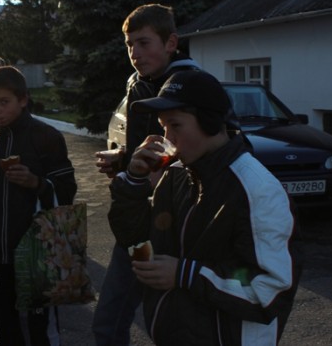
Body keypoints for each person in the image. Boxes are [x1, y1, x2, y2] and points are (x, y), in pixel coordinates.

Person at [110, 70, 300, 345]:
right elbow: (135, 239)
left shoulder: (256, 189)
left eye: (176, 126)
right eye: (164, 127)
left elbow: (270, 292)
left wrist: (185, 274)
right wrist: (133, 181)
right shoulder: (175, 175)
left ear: (211, 122)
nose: (167, 139)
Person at [92, 3, 201, 345]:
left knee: (173, 325)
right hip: (139, 221)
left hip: (178, 223)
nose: (135, 54)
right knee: (109, 320)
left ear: (171, 43)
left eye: (144, 43)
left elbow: (214, 152)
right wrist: (123, 161)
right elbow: (150, 148)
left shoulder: (192, 86)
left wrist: (166, 175)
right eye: (129, 45)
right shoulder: (139, 83)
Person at [0, 66, 77, 346]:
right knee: (5, 324)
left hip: (37, 250)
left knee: (41, 326)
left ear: (23, 100)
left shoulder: (45, 136)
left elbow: (66, 191)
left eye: (4, 102)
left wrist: (35, 182)